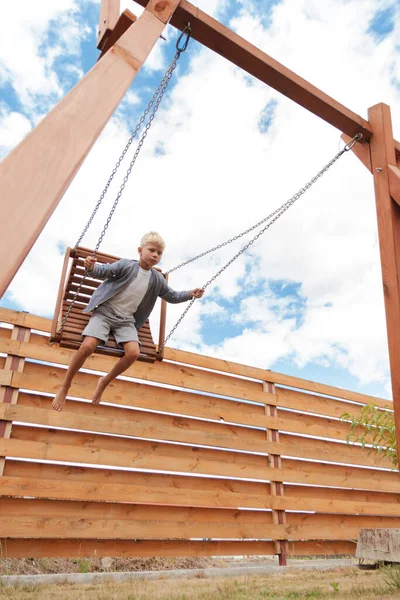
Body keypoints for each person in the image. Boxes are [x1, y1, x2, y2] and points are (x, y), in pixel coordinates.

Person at [52, 232, 204, 412]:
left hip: (126, 321)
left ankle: (104, 381)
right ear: (140, 250)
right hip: (104, 313)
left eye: (159, 253)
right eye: (152, 250)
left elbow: (171, 296)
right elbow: (103, 271)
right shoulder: (126, 265)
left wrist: (189, 294)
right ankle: (66, 385)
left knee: (133, 352)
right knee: (87, 346)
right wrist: (91, 267)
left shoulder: (157, 280)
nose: (155, 255)